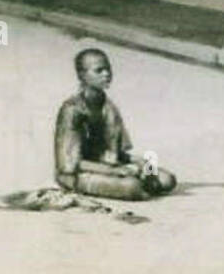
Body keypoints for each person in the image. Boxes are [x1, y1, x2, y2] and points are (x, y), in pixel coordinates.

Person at [54, 48, 176, 201]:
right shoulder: (72, 110)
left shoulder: (109, 107)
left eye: (108, 69)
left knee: (167, 179)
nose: (107, 74)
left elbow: (116, 153)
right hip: (75, 175)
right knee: (132, 187)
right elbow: (70, 164)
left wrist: (138, 162)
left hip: (107, 165)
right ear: (82, 75)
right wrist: (116, 171)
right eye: (99, 71)